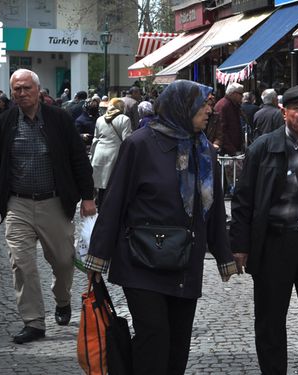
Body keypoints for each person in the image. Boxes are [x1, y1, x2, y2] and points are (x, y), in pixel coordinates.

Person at [85, 80, 237, 374]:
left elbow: (213, 209)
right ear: (182, 105)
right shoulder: (140, 144)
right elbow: (115, 201)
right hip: (141, 261)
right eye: (203, 104)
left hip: (185, 264)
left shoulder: (205, 150)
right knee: (153, 337)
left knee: (177, 344)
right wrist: (98, 257)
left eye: (209, 104)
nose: (209, 111)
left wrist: (224, 255)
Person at [0, 69, 96, 344]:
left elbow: (78, 159)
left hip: (55, 203)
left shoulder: (59, 119)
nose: (21, 94)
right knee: (21, 264)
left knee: (63, 261)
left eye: (26, 88)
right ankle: (33, 322)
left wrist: (88, 197)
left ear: (38, 90)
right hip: (17, 204)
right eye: (16, 90)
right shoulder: (6, 122)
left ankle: (62, 298)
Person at [230, 85, 298, 374]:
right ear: (283, 112)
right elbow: (243, 199)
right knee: (270, 321)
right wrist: (240, 245)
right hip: (276, 242)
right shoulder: (264, 148)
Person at [90, 98, 132, 209]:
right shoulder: (124, 119)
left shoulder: (100, 119)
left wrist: (92, 155)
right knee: (112, 183)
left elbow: (95, 138)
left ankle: (100, 207)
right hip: (114, 153)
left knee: (101, 184)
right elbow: (126, 140)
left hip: (99, 153)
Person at [213, 82, 244, 155]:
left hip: (232, 149)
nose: (242, 97)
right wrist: (231, 149)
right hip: (227, 151)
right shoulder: (224, 106)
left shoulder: (233, 105)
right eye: (240, 94)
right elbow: (221, 130)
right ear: (233, 94)